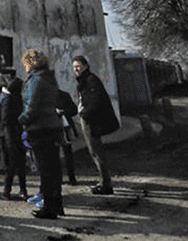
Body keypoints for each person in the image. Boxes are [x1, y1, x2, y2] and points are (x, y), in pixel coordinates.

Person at [19, 49, 63, 219]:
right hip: (52, 125)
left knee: (46, 169)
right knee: (54, 168)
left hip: (39, 128)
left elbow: (32, 106)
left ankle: (49, 207)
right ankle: (57, 203)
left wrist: (21, 120)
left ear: (30, 62)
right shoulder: (49, 78)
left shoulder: (36, 80)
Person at [72, 55, 119, 195]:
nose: (76, 69)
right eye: (74, 67)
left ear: (85, 66)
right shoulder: (84, 80)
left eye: (78, 66)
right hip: (88, 119)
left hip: (91, 121)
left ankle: (106, 183)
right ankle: (104, 181)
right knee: (95, 151)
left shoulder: (91, 80)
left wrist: (85, 114)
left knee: (96, 151)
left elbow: (96, 100)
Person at [0, 75, 28, 200]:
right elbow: (5, 118)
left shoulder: (13, 98)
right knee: (15, 163)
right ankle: (12, 189)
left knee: (17, 163)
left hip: (14, 133)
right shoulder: (11, 99)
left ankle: (12, 189)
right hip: (13, 134)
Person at [56, 88, 79, 186]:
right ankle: (59, 178)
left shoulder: (64, 95)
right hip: (55, 128)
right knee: (56, 155)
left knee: (68, 153)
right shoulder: (46, 96)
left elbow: (74, 110)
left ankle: (71, 177)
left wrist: (63, 112)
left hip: (65, 128)